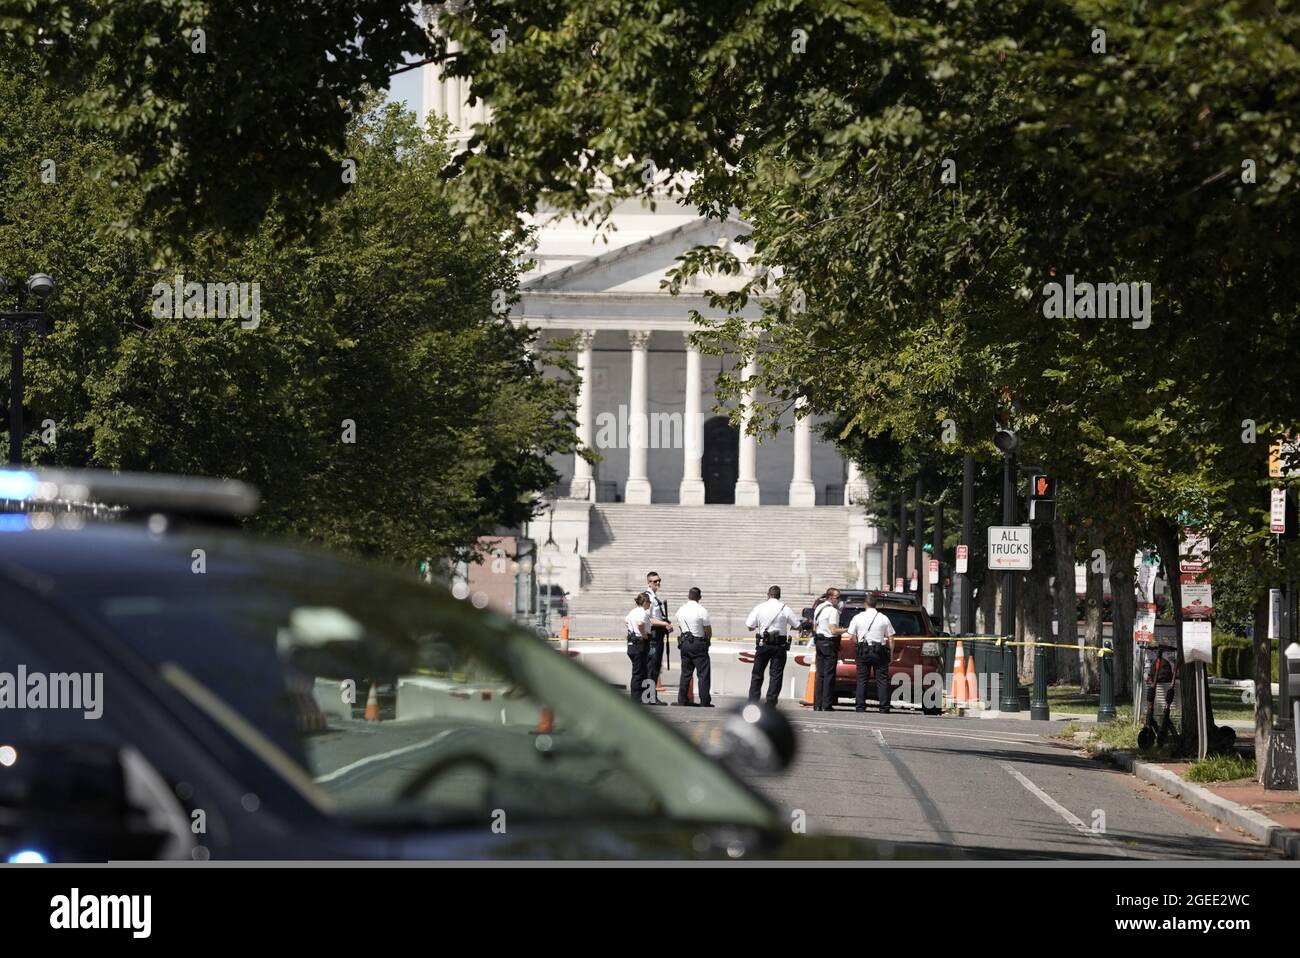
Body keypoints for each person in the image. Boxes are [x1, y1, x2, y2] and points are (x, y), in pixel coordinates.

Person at [745, 585, 802, 705]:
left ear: (768, 594)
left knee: (757, 673)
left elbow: (750, 625)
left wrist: (760, 625)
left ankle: (753, 701)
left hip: (763, 643)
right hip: (779, 645)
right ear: (779, 595)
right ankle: (771, 702)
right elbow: (797, 625)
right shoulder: (785, 608)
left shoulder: (759, 607)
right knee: (776, 674)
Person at [847, 594, 896, 713]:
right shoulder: (883, 618)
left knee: (862, 679)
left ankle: (860, 706)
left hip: (863, 650)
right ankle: (884, 707)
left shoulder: (858, 617)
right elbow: (891, 637)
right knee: (882, 680)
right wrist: (891, 654)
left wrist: (859, 643)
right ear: (876, 604)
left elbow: (851, 635)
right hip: (879, 651)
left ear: (865, 604)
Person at [674, 587, 714, 707]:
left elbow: (680, 625)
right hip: (698, 643)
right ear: (699, 597)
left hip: (685, 642)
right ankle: (704, 701)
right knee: (703, 674)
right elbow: (708, 630)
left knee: (686, 673)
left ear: (688, 596)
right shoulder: (701, 610)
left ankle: (682, 700)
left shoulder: (681, 610)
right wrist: (707, 641)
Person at [811, 588, 846, 711]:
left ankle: (817, 703)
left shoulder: (819, 608)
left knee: (820, 674)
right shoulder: (832, 611)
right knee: (829, 674)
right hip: (829, 642)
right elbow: (833, 630)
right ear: (831, 597)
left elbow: (814, 626)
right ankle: (826, 704)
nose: (839, 600)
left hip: (819, 642)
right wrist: (847, 629)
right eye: (838, 597)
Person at [644, 571, 672, 704]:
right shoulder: (648, 597)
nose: (658, 583)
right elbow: (649, 619)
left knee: (654, 667)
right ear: (649, 582)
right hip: (654, 636)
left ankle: (650, 696)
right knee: (652, 667)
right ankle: (649, 697)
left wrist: (665, 622)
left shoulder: (654, 597)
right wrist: (664, 624)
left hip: (658, 635)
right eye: (655, 581)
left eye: (659, 580)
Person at [625, 592, 653, 703]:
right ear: (645, 602)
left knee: (637, 671)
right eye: (649, 602)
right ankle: (636, 698)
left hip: (632, 643)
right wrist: (643, 634)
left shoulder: (633, 611)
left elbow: (626, 620)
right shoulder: (643, 612)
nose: (650, 604)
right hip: (640, 644)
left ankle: (639, 696)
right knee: (638, 672)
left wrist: (631, 630)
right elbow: (640, 623)